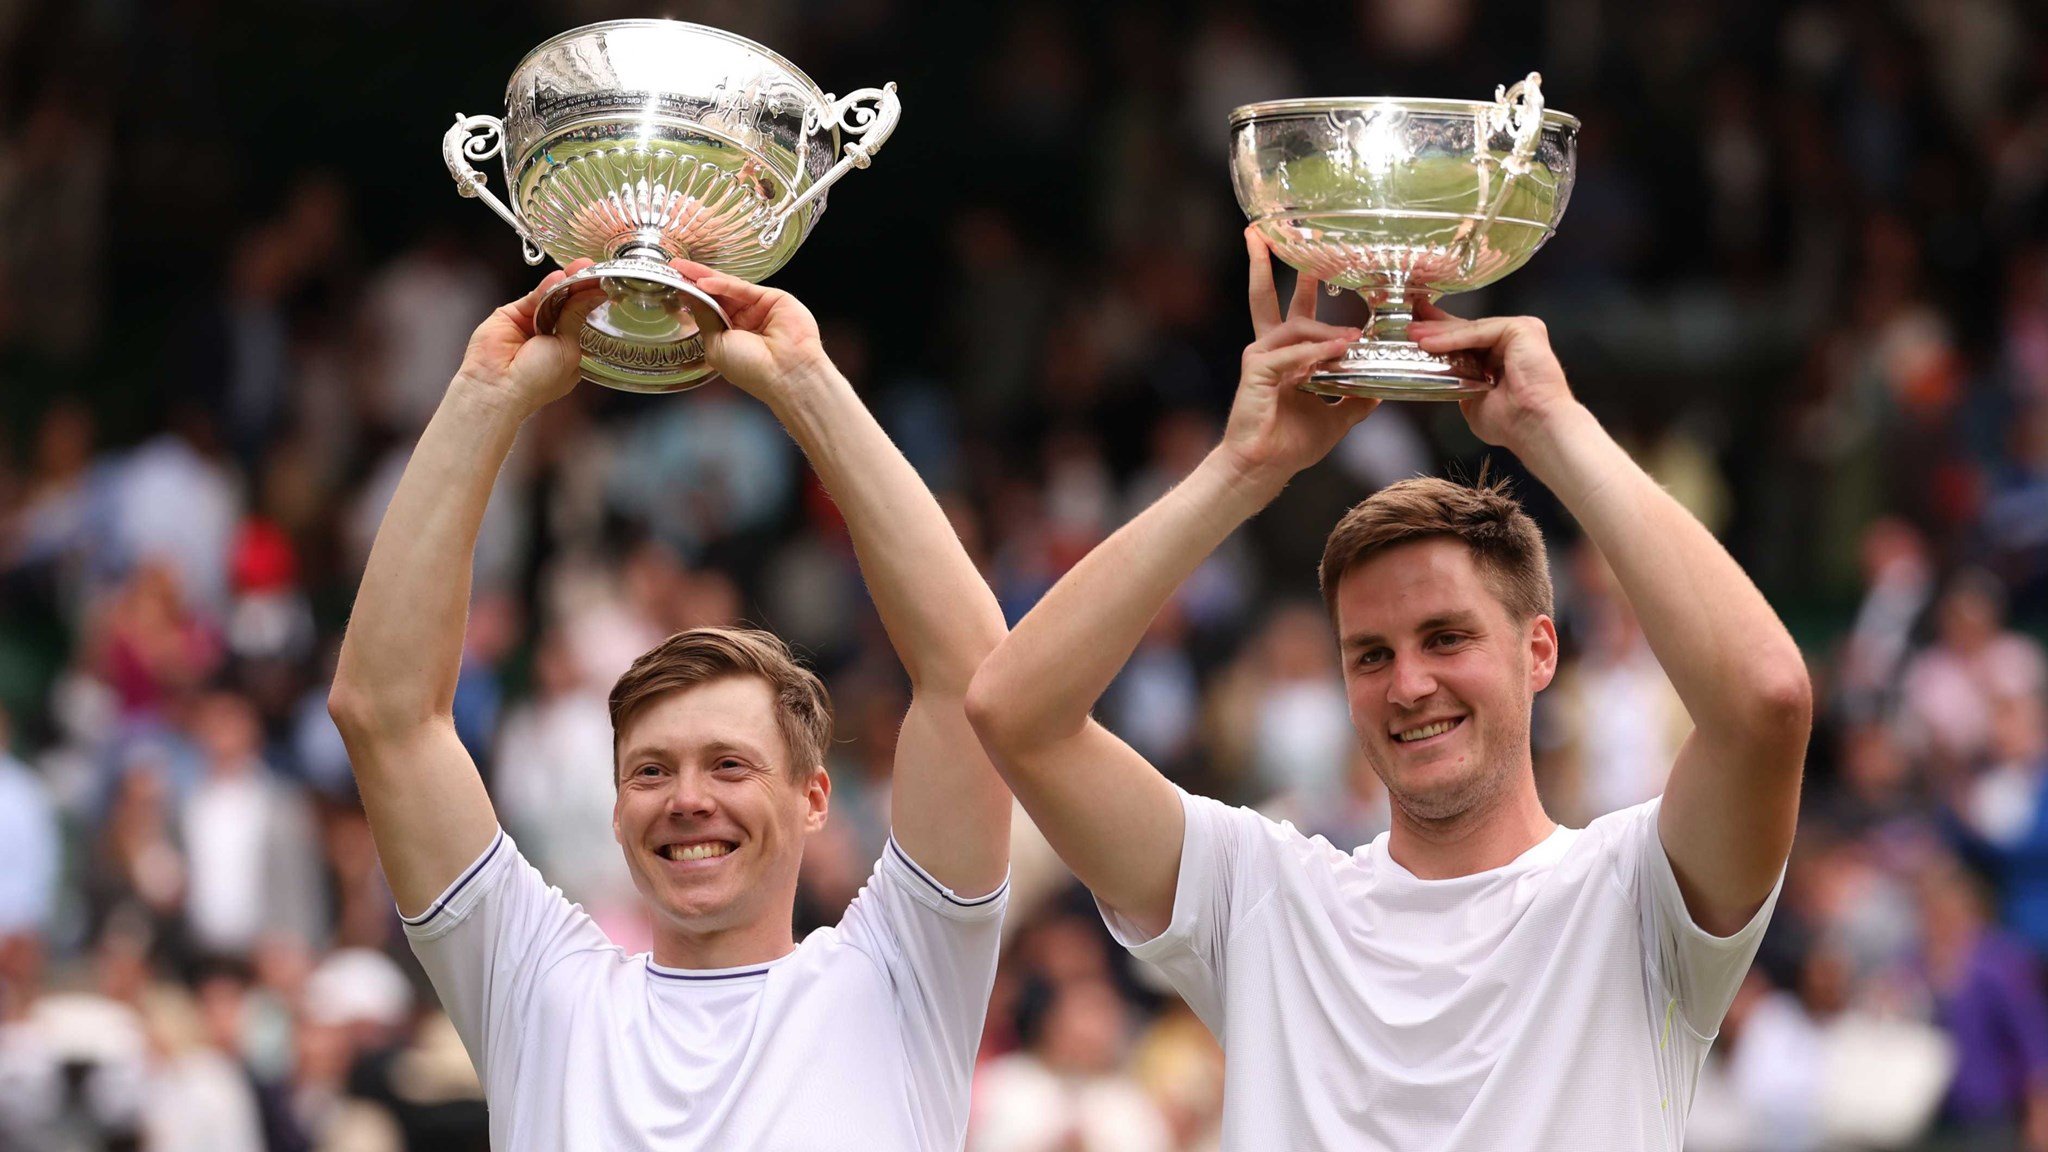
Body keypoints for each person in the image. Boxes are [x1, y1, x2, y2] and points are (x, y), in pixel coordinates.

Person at [966, 230, 1813, 1150]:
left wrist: (1551, 427)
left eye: (1446, 639)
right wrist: (1241, 471)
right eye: (1370, 655)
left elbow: (1763, 701)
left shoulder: (1638, 893)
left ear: (1540, 652)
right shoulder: (1266, 899)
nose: (1409, 684)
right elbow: (1015, 712)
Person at [327, 258, 1012, 1150]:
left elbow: (972, 687)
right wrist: (486, 396)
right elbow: (385, 715)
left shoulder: (901, 974)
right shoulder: (540, 992)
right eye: (651, 771)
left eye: (729, 763)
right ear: (617, 811)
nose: (688, 799)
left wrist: (807, 385)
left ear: (814, 798)